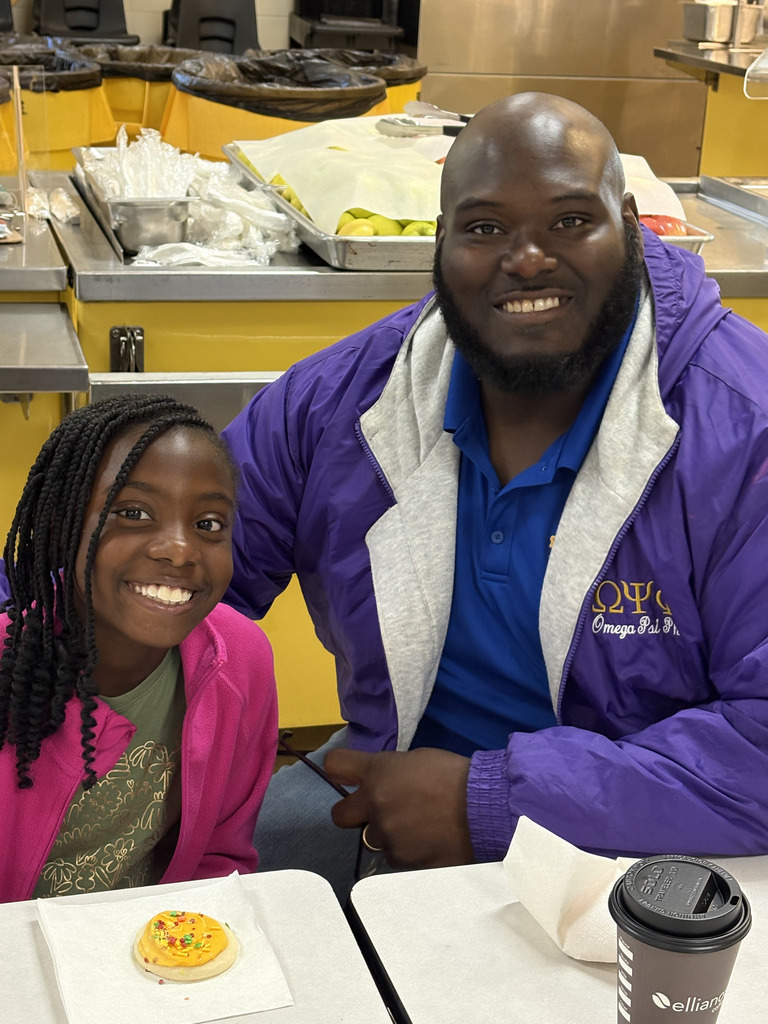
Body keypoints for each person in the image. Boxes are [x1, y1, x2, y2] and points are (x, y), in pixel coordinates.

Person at [220, 89, 768, 898]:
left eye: (571, 221)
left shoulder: (741, 429)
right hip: (393, 818)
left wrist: (490, 803)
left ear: (632, 227)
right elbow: (166, 574)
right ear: (441, 245)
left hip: (662, 861)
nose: (528, 259)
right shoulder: (340, 405)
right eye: (484, 228)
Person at [0, 395, 278, 903]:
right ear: (65, 528)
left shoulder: (242, 660)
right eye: (133, 512)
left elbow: (222, 857)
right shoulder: (9, 664)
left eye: (208, 524)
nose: (179, 547)